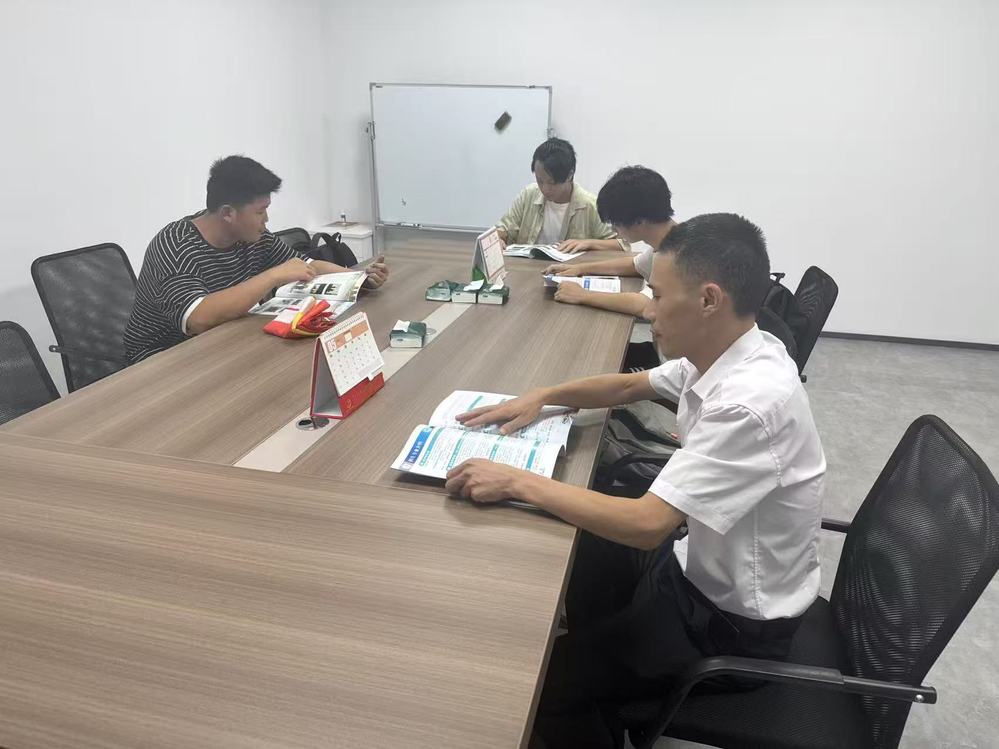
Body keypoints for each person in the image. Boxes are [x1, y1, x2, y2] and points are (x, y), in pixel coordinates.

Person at [445, 213, 826, 747]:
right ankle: (600, 664)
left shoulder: (749, 403)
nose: (648, 309)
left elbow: (648, 525)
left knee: (541, 688)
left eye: (658, 295)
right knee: (583, 552)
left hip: (728, 627)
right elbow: (628, 387)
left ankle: (590, 694)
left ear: (709, 300)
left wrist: (516, 482)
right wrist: (543, 396)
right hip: (694, 566)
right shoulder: (729, 349)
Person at [124, 155, 388, 363]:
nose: (267, 219)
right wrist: (272, 276)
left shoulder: (251, 236)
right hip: (161, 364)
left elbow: (306, 267)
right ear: (228, 213)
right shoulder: (175, 246)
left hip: (220, 349)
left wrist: (358, 279)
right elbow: (198, 318)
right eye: (261, 212)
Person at [544, 165, 676, 318]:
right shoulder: (668, 239)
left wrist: (582, 295)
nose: (613, 229)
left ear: (639, 221)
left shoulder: (677, 256)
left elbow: (646, 305)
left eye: (616, 223)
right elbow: (634, 265)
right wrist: (579, 268)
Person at [495, 138, 628, 254]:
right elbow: (503, 230)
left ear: (570, 175)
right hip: (526, 269)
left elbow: (622, 245)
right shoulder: (528, 195)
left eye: (552, 183)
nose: (545, 189)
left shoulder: (590, 205)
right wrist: (498, 240)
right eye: (540, 180)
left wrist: (588, 243)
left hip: (570, 271)